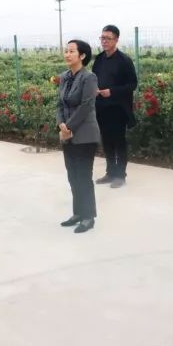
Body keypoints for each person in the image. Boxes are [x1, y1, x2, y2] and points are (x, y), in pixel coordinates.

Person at [57, 39, 101, 233]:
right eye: (66, 51)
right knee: (72, 176)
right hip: (67, 134)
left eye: (71, 51)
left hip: (85, 135)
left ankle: (88, 216)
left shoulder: (89, 78)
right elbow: (60, 104)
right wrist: (61, 124)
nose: (67, 54)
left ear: (82, 55)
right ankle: (78, 213)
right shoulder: (64, 77)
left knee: (83, 176)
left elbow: (86, 106)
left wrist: (68, 126)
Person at [92, 25, 138, 188]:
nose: (104, 41)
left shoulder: (124, 61)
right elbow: (94, 79)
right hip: (101, 107)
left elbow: (132, 84)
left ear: (116, 40)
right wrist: (94, 90)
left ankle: (120, 175)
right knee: (107, 141)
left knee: (119, 142)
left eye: (108, 38)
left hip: (118, 108)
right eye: (102, 38)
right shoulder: (99, 59)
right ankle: (110, 172)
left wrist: (112, 91)